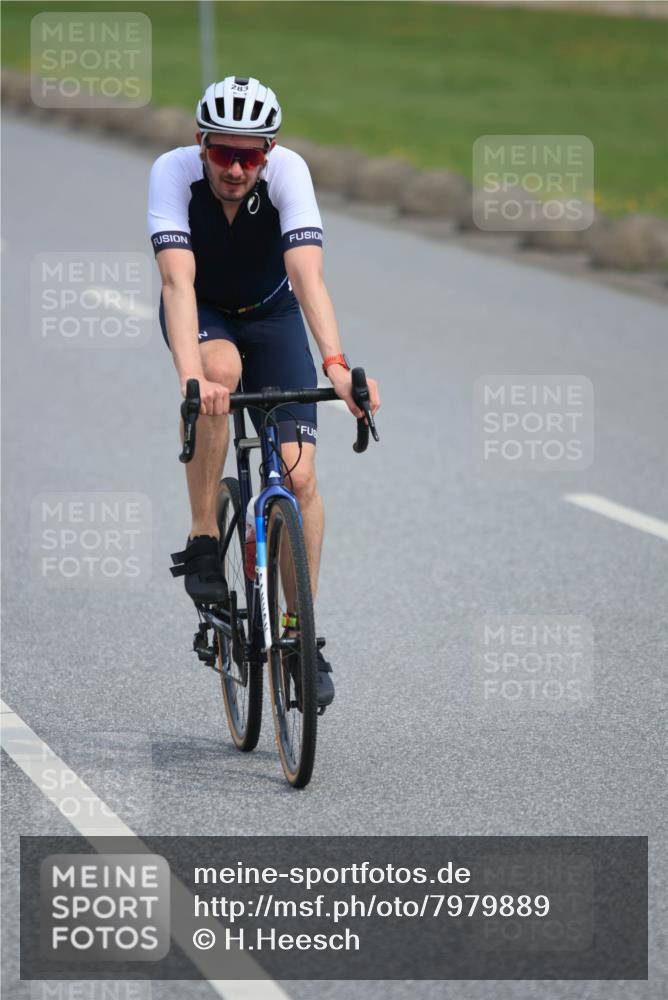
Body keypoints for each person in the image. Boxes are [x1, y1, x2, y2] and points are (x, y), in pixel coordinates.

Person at [147, 76, 380, 706]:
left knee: (301, 480)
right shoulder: (172, 174)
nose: (236, 168)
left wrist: (336, 365)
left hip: (272, 313)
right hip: (205, 313)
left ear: (268, 153)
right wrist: (191, 377)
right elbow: (176, 282)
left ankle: (301, 635)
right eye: (224, 152)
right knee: (219, 375)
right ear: (202, 144)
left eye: (251, 155)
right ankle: (202, 538)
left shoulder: (288, 174)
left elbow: (307, 276)